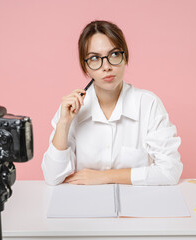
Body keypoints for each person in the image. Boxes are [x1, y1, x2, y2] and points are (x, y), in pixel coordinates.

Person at [42, 20, 182, 186]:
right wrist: (63, 124)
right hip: (86, 205)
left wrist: (105, 177)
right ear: (85, 66)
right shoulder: (72, 107)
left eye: (114, 54)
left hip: (138, 205)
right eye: (94, 58)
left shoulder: (148, 104)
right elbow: (52, 177)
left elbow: (170, 171)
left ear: (125, 58)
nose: (106, 66)